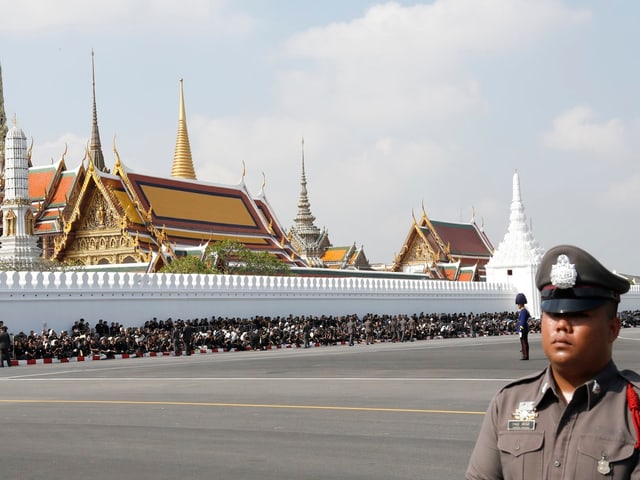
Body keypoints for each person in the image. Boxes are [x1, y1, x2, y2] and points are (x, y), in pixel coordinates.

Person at [466, 244, 639, 479]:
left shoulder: (632, 409)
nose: (561, 325)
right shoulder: (508, 403)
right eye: (553, 314)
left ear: (612, 329)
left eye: (579, 315)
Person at [515, 292, 530, 360]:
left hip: (523, 329)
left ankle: (525, 355)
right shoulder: (522, 310)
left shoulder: (523, 311)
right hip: (523, 328)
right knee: (523, 342)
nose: (518, 305)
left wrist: (521, 328)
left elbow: (523, 321)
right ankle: (524, 354)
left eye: (518, 304)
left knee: (524, 342)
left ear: (521, 303)